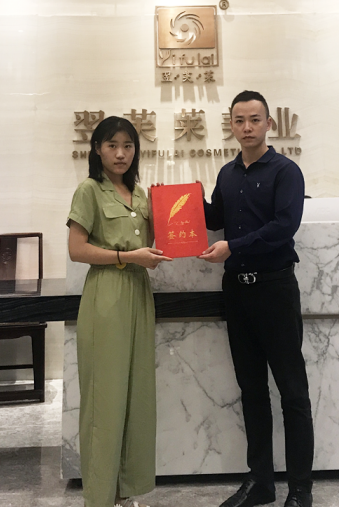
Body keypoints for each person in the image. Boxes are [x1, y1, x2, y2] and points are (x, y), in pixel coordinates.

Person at [198, 91, 314, 507]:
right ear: (231, 125)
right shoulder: (227, 174)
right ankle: (261, 482)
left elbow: (284, 227)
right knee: (251, 390)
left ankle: (300, 490)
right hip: (237, 292)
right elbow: (215, 218)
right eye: (239, 120)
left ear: (269, 124)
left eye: (254, 119)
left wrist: (234, 246)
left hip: (274, 289)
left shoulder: (286, 172)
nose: (246, 127)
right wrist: (180, 200)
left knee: (292, 393)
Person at [67, 116, 172, 507]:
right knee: (105, 398)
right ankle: (99, 496)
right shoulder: (89, 191)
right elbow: (77, 250)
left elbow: (158, 241)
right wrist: (127, 257)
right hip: (106, 295)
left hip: (139, 296)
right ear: (97, 149)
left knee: (136, 394)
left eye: (128, 145)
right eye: (112, 145)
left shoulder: (141, 194)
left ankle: (125, 490)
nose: (120, 153)